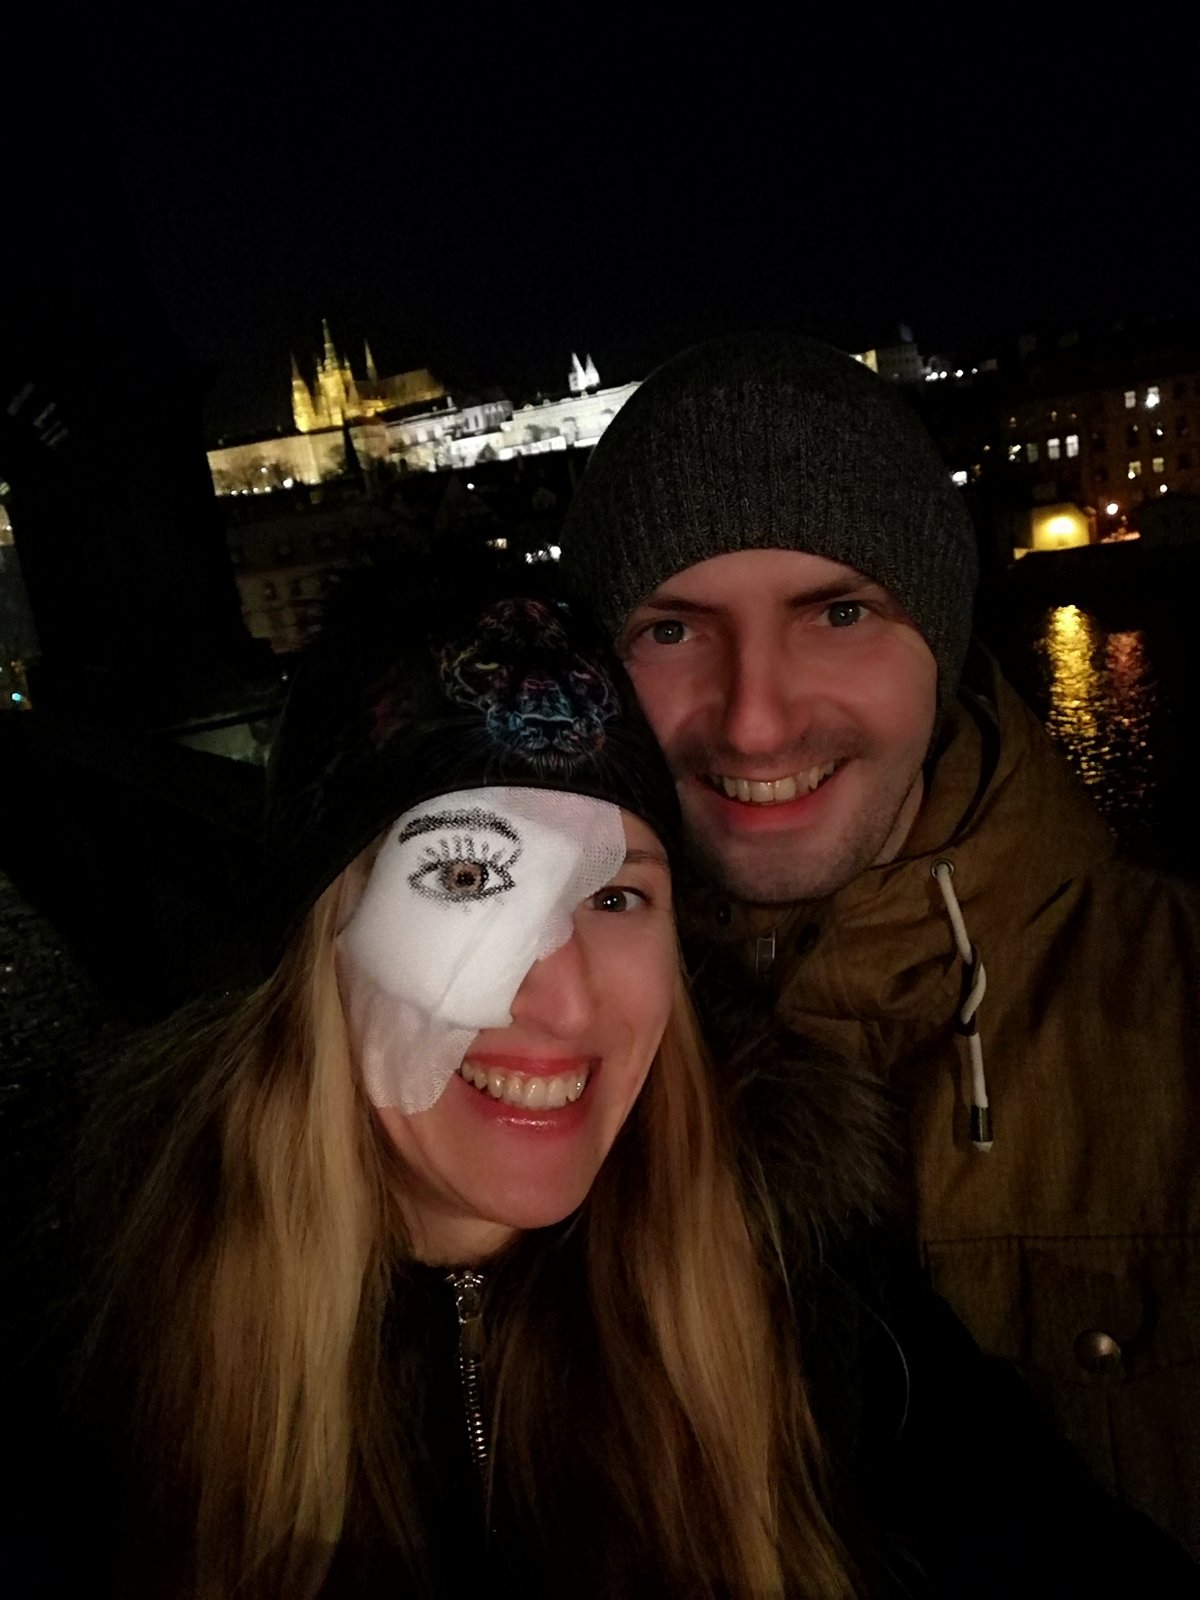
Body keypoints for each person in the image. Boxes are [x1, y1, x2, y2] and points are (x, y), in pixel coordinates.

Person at [48, 579, 1195, 1599]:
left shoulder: (821, 1311)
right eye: (467, 875)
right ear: (320, 942)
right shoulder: (108, 1389)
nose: (564, 1000)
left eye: (616, 897)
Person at [560, 333, 1200, 1558]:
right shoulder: (525, 1049)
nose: (756, 722)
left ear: (942, 643)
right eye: (673, 631)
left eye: (841, 613)